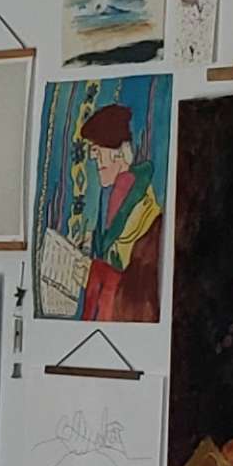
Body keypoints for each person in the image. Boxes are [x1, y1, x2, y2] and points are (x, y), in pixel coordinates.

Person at [36, 101, 164, 320]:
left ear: (121, 152)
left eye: (96, 150)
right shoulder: (116, 195)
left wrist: (93, 274)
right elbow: (111, 243)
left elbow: (142, 291)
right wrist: (91, 241)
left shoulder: (148, 214)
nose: (94, 158)